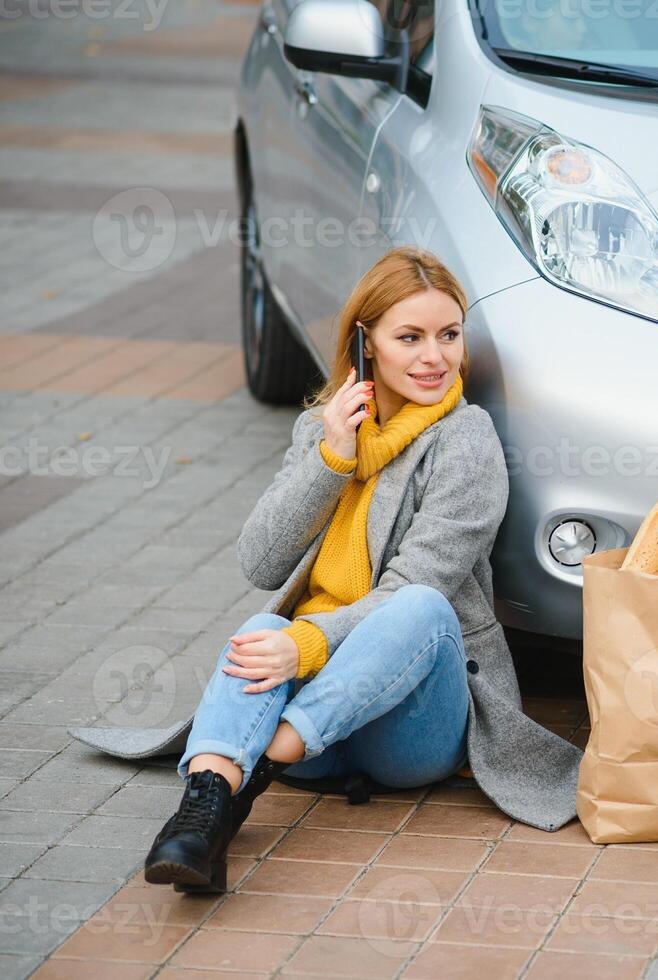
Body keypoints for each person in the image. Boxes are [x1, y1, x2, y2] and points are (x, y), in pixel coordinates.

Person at [71, 246, 581, 894]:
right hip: (315, 723)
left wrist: (304, 646)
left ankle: (252, 770)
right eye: (410, 337)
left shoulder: (466, 439)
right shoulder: (322, 428)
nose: (435, 356)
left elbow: (412, 588)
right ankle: (201, 813)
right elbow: (259, 561)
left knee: (422, 607)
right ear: (366, 345)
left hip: (407, 732)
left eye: (449, 335)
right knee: (261, 623)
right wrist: (331, 457)